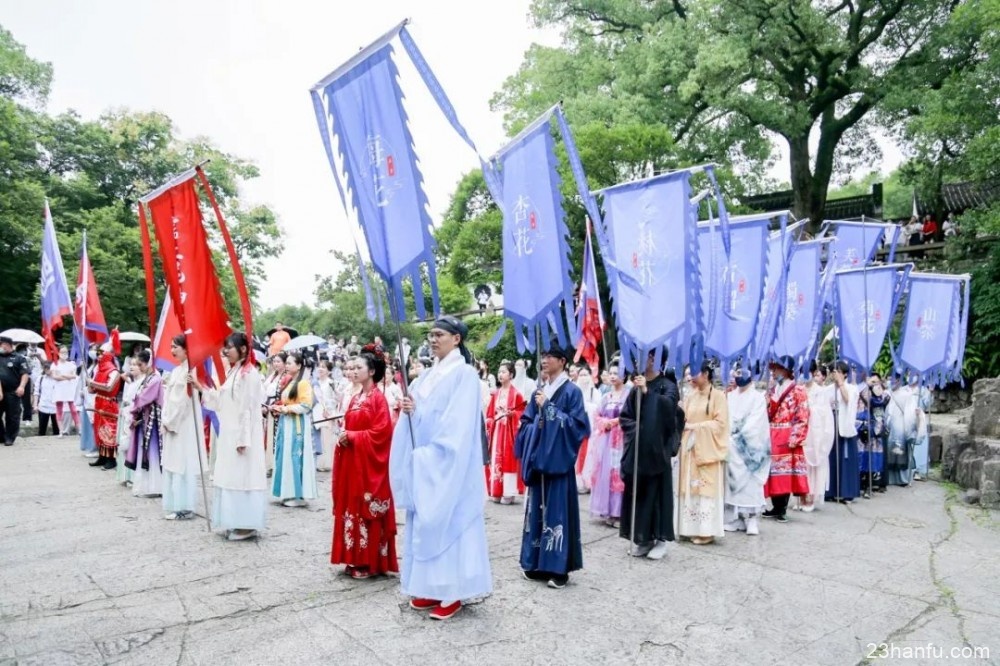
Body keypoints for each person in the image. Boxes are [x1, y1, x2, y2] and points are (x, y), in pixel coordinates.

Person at [390, 316, 492, 620]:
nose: (433, 339)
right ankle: (430, 587)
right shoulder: (425, 377)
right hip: (427, 461)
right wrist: (412, 411)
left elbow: (458, 425)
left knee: (452, 522)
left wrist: (436, 453)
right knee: (426, 523)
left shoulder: (464, 375)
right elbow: (420, 418)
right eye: (430, 334)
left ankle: (454, 592)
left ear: (456, 339)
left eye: (439, 334)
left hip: (450, 463)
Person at [516, 341, 590, 587]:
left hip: (558, 463)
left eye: (551, 356)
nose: (544, 360)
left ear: (563, 361)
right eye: (543, 355)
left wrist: (548, 409)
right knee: (537, 512)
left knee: (557, 513)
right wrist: (531, 428)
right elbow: (526, 421)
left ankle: (559, 569)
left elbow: (577, 427)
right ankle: (536, 563)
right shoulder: (539, 390)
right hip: (539, 461)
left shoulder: (572, 392)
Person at [331, 343, 398, 579]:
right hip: (353, 463)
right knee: (351, 507)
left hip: (368, 466)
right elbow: (350, 425)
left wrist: (352, 436)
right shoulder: (356, 397)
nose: (354, 370)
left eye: (359, 367)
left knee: (366, 508)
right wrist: (344, 436)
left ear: (371, 371)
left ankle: (369, 561)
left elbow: (382, 433)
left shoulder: (378, 399)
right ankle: (353, 557)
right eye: (353, 367)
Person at [195, 332, 267, 541]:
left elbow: (248, 408)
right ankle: (234, 520)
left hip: (242, 436)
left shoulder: (249, 374)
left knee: (243, 477)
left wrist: (243, 438)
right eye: (225, 347)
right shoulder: (234, 371)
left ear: (243, 349)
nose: (226, 351)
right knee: (230, 475)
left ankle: (246, 524)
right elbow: (222, 400)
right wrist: (201, 388)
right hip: (230, 431)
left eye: (230, 347)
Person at [618, 350, 681, 559]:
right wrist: (638, 431)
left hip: (657, 452)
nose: (645, 361)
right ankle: (643, 539)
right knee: (639, 496)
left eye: (650, 357)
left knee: (657, 497)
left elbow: (670, 413)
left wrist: (648, 393)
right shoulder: (635, 386)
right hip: (638, 451)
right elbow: (626, 416)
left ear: (657, 360)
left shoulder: (668, 386)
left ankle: (660, 540)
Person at [677, 361, 729, 545]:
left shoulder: (718, 396)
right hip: (690, 450)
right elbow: (684, 420)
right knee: (690, 488)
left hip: (706, 450)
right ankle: (688, 528)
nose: (690, 377)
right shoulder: (690, 396)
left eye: (694, 373)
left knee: (705, 490)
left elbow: (720, 425)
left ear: (706, 374)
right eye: (688, 373)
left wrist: (695, 427)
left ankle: (706, 531)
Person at [160, 335, 207, 521]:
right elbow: (169, 398)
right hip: (171, 422)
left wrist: (171, 421)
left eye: (175, 347)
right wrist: (165, 419)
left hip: (183, 424)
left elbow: (184, 401)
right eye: (171, 346)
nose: (172, 350)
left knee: (182, 463)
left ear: (186, 349)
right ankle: (175, 504)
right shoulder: (176, 370)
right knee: (173, 463)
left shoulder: (191, 371)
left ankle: (185, 506)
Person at [763, 356, 810, 523]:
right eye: (773, 369)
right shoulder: (774, 389)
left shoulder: (798, 390)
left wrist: (796, 436)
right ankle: (775, 506)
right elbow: (768, 413)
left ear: (786, 370)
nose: (774, 372)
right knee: (773, 471)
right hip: (773, 432)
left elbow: (802, 414)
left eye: (777, 369)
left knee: (784, 472)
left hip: (787, 432)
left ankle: (782, 507)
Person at [724, 368, 770, 536]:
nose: (738, 376)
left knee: (751, 484)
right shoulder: (730, 396)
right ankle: (736, 517)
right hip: (731, 445)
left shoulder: (758, 398)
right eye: (735, 373)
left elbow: (756, 423)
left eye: (741, 373)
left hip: (749, 448)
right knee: (732, 484)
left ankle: (751, 518)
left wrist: (738, 435)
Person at [271, 353, 316, 507]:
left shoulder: (303, 383)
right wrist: (279, 407)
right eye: (287, 363)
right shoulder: (290, 382)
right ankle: (287, 491)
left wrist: (285, 409)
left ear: (299, 365)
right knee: (284, 456)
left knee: (295, 456)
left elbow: (306, 405)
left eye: (290, 363)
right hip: (286, 423)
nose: (287, 365)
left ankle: (297, 494)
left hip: (297, 424)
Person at [588, 363, 629, 527]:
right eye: (610, 373)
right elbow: (597, 415)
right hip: (605, 440)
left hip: (621, 440)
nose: (612, 376)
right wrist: (603, 422)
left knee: (617, 474)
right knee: (604, 472)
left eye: (616, 373)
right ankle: (606, 509)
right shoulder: (606, 396)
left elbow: (630, 415)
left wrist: (614, 422)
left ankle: (618, 512)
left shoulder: (629, 395)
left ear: (624, 375)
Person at [485, 360, 527, 504]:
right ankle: (496, 489)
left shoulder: (517, 395)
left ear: (511, 375)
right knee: (496, 459)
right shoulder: (496, 394)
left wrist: (512, 415)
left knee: (508, 459)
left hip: (509, 433)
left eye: (503, 372)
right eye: (499, 372)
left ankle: (508, 492)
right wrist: (490, 421)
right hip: (497, 431)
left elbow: (523, 413)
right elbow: (490, 414)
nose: (500, 374)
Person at [126, 350, 164, 498]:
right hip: (145, 417)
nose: (139, 367)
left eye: (140, 364)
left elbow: (143, 398)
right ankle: (146, 486)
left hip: (152, 420)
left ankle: (155, 486)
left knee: (152, 452)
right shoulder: (149, 378)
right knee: (144, 451)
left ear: (148, 363)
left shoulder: (155, 379)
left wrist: (133, 410)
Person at [826, 361, 861, 503]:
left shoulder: (852, 388)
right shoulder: (828, 389)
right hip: (831, 422)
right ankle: (830, 491)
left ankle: (847, 491)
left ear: (845, 374)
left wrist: (841, 384)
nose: (835, 374)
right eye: (833, 371)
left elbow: (849, 401)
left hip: (844, 423)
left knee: (845, 459)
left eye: (838, 372)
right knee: (831, 457)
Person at [802, 364, 835, 511]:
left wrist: (808, 407)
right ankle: (801, 496)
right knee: (801, 464)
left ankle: (811, 496)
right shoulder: (799, 389)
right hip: (802, 431)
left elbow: (824, 414)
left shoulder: (820, 392)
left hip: (815, 433)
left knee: (814, 463)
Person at [86, 333, 122, 469]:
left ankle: (111, 460)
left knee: (108, 431)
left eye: (101, 354)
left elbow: (109, 387)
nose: (99, 356)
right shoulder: (98, 370)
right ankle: (102, 456)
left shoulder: (113, 371)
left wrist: (93, 383)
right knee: (98, 430)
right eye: (98, 353)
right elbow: (91, 390)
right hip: (99, 402)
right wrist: (90, 383)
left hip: (108, 404)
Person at [0, 336, 30, 446]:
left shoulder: (19, 358)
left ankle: (9, 437)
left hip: (13, 391)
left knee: (12, 416)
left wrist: (22, 386)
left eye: (1, 344)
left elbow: (25, 373)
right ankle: (1, 435)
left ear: (7, 344)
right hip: (0, 391)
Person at [575, 371, 601, 493]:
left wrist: (587, 407)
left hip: (591, 428)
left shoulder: (594, 392)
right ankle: (578, 481)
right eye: (581, 375)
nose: (583, 377)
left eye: (586, 375)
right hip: (577, 428)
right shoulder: (575, 391)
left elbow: (599, 408)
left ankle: (589, 481)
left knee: (590, 454)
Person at [312, 360, 340, 473]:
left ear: (329, 371)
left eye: (323, 367)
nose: (320, 369)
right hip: (316, 412)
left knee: (327, 437)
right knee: (318, 437)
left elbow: (335, 399)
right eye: (319, 366)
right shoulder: (315, 383)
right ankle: (318, 462)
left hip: (328, 412)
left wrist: (328, 409)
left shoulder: (331, 383)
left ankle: (328, 462)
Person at [52, 346, 80, 436]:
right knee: (59, 409)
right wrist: (67, 376)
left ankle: (79, 429)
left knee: (73, 409)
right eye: (62, 352)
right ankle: (61, 430)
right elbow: (55, 377)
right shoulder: (55, 364)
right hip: (59, 389)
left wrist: (62, 375)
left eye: (65, 352)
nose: (64, 354)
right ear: (58, 353)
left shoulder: (71, 364)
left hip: (69, 389)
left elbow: (74, 376)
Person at [32, 361, 60, 437]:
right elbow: (36, 392)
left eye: (49, 368)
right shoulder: (40, 378)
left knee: (57, 430)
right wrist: (35, 405)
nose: (47, 370)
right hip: (43, 406)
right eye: (46, 368)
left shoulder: (58, 378)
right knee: (42, 430)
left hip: (56, 407)